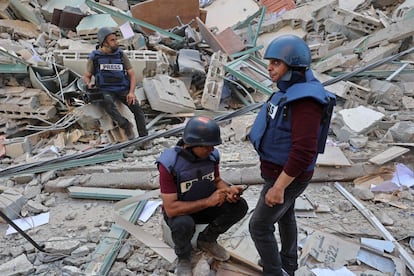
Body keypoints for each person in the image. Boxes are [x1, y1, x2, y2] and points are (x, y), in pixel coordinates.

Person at [248, 34, 336, 276]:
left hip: (286, 176)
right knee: (285, 216)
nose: (270, 68)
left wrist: (279, 187)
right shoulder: (291, 91)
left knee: (259, 226)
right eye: (270, 62)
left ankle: (274, 271)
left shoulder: (306, 101)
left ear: (293, 66)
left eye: (276, 63)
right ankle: (288, 264)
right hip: (279, 172)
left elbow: (304, 150)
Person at [157, 115, 248, 275]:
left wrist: (228, 190)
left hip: (206, 205)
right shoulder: (170, 164)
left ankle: (207, 239)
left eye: (213, 146)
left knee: (239, 206)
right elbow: (171, 209)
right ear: (191, 144)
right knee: (182, 225)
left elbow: (217, 180)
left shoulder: (212, 156)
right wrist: (209, 201)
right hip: (182, 211)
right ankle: (184, 257)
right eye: (207, 146)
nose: (211, 150)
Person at [83, 27, 148, 140]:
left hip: (122, 88)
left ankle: (144, 138)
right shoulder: (95, 57)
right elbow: (87, 76)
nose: (116, 42)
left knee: (137, 108)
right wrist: (89, 84)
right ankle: (125, 125)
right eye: (112, 40)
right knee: (107, 102)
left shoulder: (120, 54)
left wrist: (131, 92)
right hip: (106, 89)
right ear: (104, 42)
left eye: (115, 39)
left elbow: (132, 74)